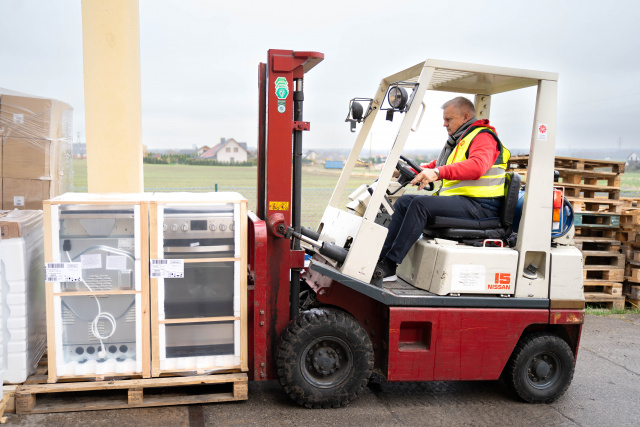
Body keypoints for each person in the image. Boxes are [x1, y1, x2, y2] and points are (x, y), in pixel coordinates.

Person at [373, 96, 511, 283]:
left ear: (465, 116)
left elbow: (477, 166)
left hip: (481, 207)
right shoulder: (459, 140)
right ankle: (380, 258)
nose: (444, 124)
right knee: (406, 201)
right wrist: (401, 172)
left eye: (449, 119)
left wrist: (437, 173)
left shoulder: (483, 137)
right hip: (464, 203)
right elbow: (435, 165)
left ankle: (390, 265)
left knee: (420, 204)